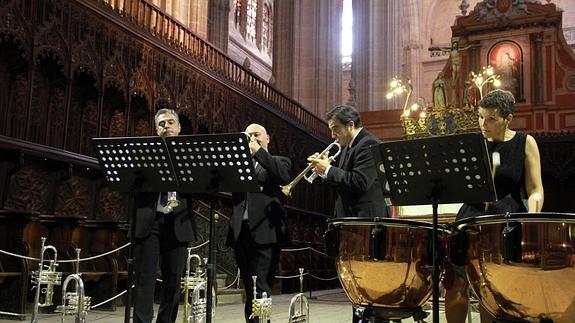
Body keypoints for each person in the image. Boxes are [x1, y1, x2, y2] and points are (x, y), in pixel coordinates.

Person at [444, 89, 544, 323]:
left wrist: (533, 213)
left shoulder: (524, 143)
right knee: (456, 281)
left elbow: (535, 188)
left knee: (490, 286)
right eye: (480, 116)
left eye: (491, 119)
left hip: (505, 220)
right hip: (470, 218)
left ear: (508, 118)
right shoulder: (472, 143)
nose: (483, 123)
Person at [308, 105, 390, 323]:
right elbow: (342, 185)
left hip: (366, 223)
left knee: (369, 284)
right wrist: (322, 172)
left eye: (335, 129)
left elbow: (360, 182)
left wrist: (327, 170)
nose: (332, 135)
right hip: (351, 223)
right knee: (356, 284)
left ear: (351, 125)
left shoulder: (368, 143)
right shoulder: (346, 147)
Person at [133, 108, 197, 323]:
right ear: (156, 128)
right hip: (149, 221)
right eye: (162, 124)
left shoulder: (191, 155)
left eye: (171, 122)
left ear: (178, 128)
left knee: (173, 281)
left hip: (177, 221)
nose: (166, 126)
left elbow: (202, 187)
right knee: (144, 279)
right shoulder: (144, 152)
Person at [226, 123, 292, 323]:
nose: (252, 138)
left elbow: (283, 176)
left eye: (257, 135)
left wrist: (258, 152)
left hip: (266, 233)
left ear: (267, 138)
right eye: (248, 136)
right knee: (249, 286)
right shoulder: (239, 165)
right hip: (241, 232)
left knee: (262, 286)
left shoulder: (280, 161)